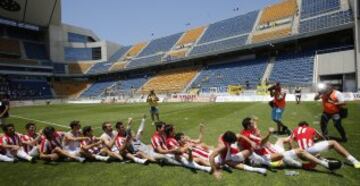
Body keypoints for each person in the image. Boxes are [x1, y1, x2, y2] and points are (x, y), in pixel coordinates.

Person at [239, 117, 342, 171]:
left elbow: (245, 141)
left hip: (270, 149)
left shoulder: (247, 131)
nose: (255, 125)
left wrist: (256, 128)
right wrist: (269, 133)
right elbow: (261, 142)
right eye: (253, 123)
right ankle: (325, 164)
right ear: (248, 126)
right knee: (299, 151)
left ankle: (294, 136)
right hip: (268, 154)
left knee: (281, 140)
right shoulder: (249, 135)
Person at [287, 121, 360, 168]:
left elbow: (290, 141)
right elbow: (321, 138)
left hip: (301, 152)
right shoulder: (311, 129)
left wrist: (293, 150)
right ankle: (354, 161)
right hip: (310, 149)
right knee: (333, 143)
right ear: (306, 125)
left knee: (315, 154)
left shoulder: (295, 130)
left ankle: (314, 160)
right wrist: (315, 140)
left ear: (299, 126)